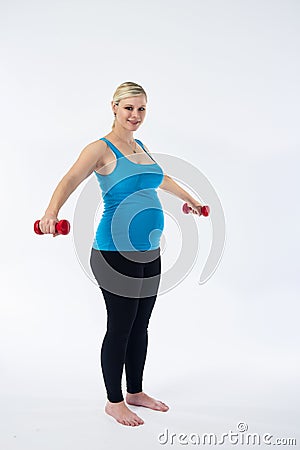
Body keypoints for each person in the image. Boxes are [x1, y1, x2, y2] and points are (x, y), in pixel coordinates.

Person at [39, 81, 203, 427]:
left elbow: (160, 177)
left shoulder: (139, 145)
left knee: (141, 325)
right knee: (121, 328)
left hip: (149, 251)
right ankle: (114, 402)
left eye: (142, 108)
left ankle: (135, 392)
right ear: (113, 107)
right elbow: (70, 179)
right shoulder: (99, 149)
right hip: (114, 252)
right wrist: (51, 212)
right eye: (129, 108)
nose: (136, 115)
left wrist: (190, 198)